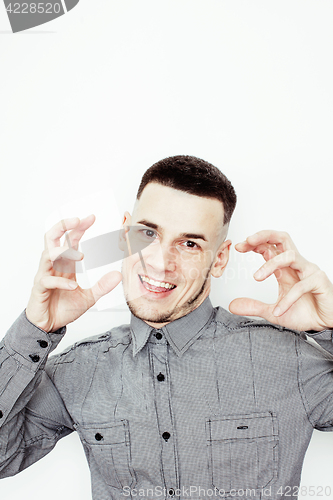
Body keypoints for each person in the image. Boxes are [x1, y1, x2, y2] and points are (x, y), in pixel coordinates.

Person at [0, 155, 332, 500]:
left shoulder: (288, 359)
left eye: (190, 244)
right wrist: (34, 329)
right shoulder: (78, 370)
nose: (159, 263)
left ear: (219, 259)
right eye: (147, 233)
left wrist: (331, 326)